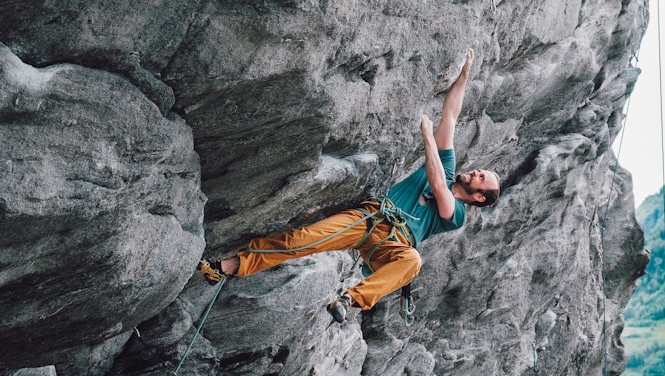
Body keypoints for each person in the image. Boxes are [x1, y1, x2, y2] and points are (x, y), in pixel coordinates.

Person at [198, 49, 500, 323]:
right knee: (302, 239)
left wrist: (427, 137)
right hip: (370, 217)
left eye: (481, 178)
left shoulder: (457, 213)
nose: (476, 172)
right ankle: (225, 267)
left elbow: (437, 184)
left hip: (395, 244)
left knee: (413, 261)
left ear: (477, 197)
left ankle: (350, 299)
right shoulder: (448, 166)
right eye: (481, 171)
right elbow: (451, 115)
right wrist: (464, 76)